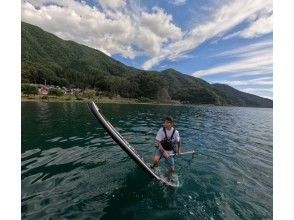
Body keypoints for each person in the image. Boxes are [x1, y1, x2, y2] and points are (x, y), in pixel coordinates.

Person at [151, 116, 181, 181]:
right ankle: (154, 169)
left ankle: (167, 176)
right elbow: (158, 142)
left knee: (172, 169)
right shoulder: (161, 130)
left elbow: (178, 141)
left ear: (171, 124)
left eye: (166, 122)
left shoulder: (176, 132)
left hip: (170, 150)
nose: (164, 124)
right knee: (156, 160)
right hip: (161, 148)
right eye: (164, 122)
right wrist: (163, 151)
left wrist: (178, 150)